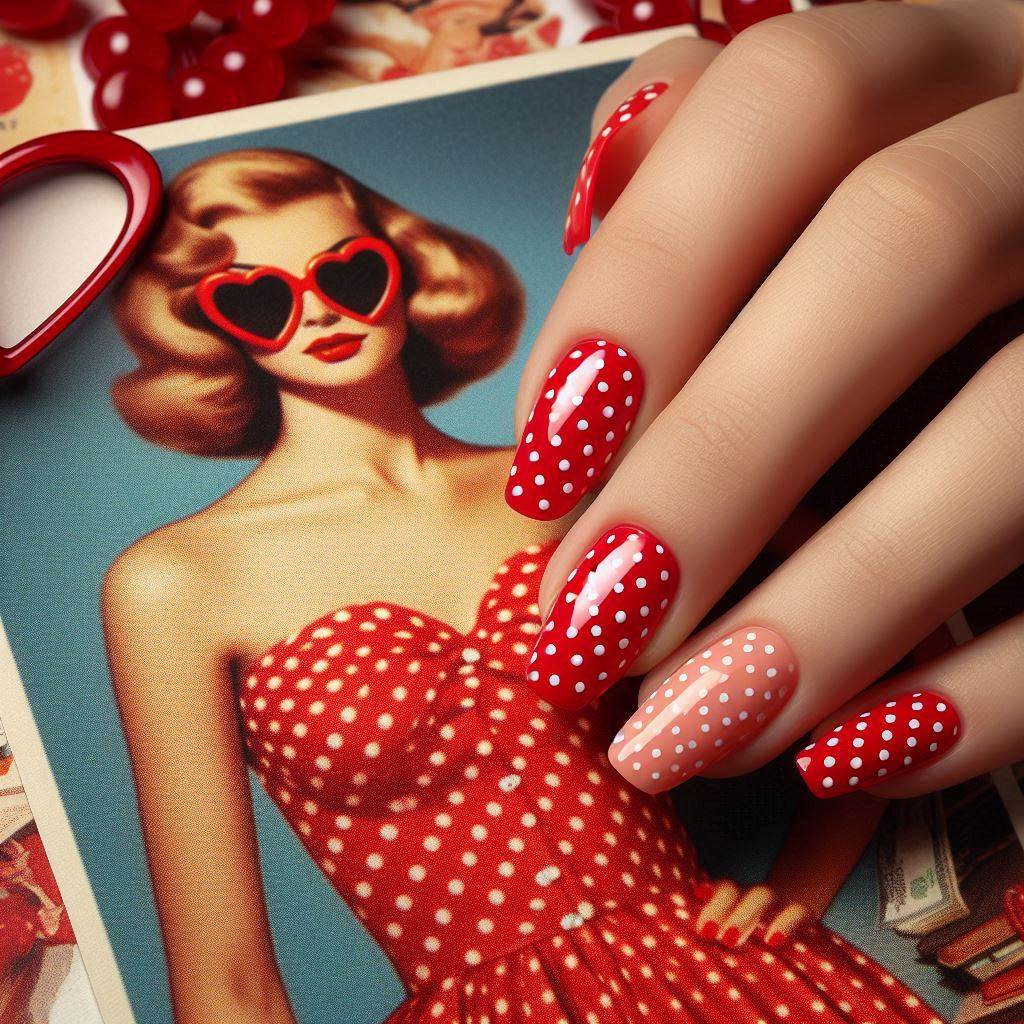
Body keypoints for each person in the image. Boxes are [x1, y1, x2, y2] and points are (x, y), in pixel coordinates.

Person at [104, 148, 944, 1023]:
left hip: (735, 982)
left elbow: (881, 603)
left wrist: (803, 888)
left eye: (349, 274)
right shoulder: (176, 582)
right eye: (257, 299)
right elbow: (226, 988)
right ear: (207, 327)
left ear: (409, 268)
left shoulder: (570, 480)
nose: (317, 313)